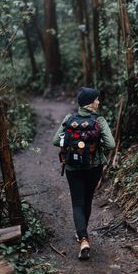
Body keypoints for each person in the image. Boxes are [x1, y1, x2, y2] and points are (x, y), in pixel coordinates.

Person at [52, 87, 115, 259]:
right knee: (87, 200)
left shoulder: (69, 118)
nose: (98, 102)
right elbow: (110, 145)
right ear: (90, 103)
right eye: (96, 99)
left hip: (73, 168)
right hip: (94, 167)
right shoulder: (99, 120)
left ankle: (83, 238)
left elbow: (56, 140)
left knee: (77, 203)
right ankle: (82, 234)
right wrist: (95, 143)